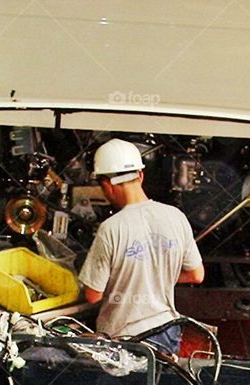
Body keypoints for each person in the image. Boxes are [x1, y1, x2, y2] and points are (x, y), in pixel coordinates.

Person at [78, 138, 204, 353]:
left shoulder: (111, 228)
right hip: (168, 332)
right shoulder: (176, 216)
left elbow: (93, 295)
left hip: (126, 340)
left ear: (107, 185)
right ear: (141, 176)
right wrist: (156, 277)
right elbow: (196, 275)